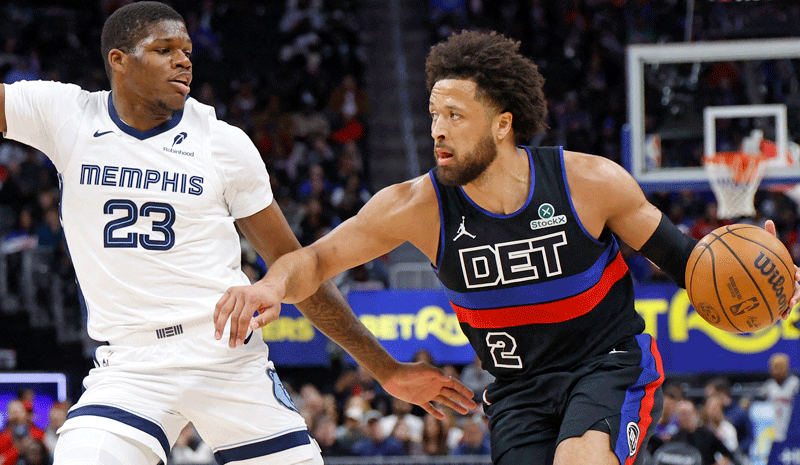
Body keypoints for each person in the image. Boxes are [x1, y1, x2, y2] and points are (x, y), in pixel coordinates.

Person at [214, 30, 800, 465]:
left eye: (454, 115)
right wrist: (270, 285)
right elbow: (313, 260)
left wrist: (762, 271)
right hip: (518, 389)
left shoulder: (591, 183)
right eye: (433, 114)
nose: (437, 129)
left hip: (606, 365)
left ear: (502, 124)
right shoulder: (415, 206)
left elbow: (692, 266)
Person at [0, 3, 476, 465]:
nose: (184, 59)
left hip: (225, 353)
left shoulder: (222, 142)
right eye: (164, 49)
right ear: (119, 61)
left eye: (186, 49)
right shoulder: (66, 115)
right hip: (130, 363)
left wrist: (385, 369)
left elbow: (300, 269)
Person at [758, 352, 800, 443]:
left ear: (787, 367)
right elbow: (756, 401)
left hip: (793, 426)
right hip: (773, 428)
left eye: (780, 367)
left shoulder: (795, 383)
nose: (777, 370)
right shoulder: (769, 386)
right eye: (775, 367)